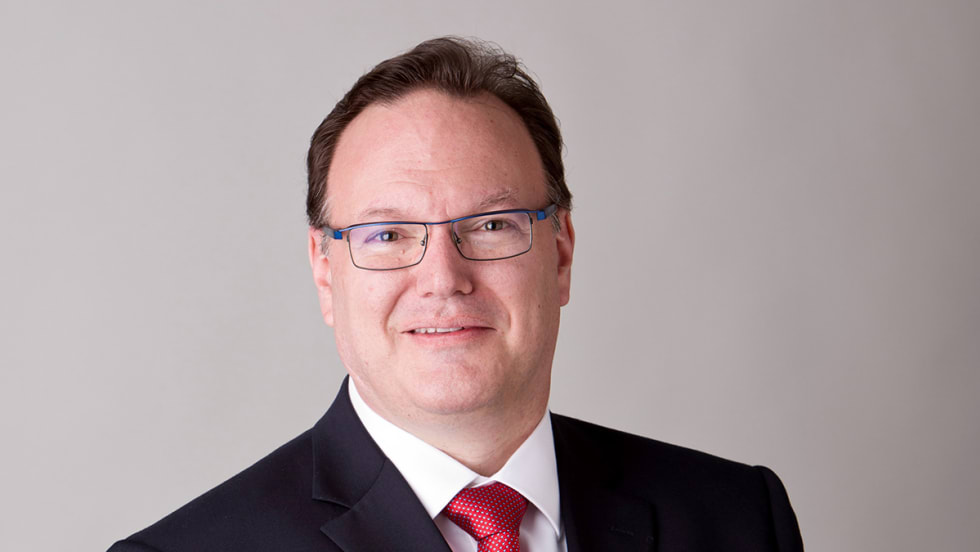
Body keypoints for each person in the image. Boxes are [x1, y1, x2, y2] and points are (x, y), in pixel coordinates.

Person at [109, 36, 804, 552]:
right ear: (325, 271)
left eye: (492, 224)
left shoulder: (739, 519)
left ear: (560, 253)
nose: (443, 278)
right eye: (387, 234)